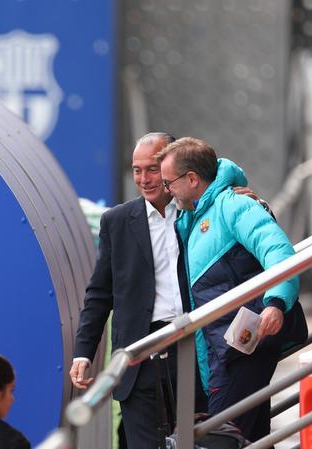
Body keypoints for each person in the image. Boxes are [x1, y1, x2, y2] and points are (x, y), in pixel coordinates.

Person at [156, 137, 307, 442]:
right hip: (222, 349)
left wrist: (276, 302)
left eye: (168, 182)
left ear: (192, 179)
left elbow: (278, 250)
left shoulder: (232, 205)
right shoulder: (189, 217)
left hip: (241, 346)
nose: (166, 190)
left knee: (227, 436)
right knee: (249, 436)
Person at [70, 132, 203, 449]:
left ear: (172, 165)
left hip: (193, 347)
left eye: (153, 168)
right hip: (138, 355)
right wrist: (83, 352)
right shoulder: (116, 221)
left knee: (199, 439)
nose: (144, 179)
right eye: (137, 170)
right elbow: (100, 293)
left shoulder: (199, 212)